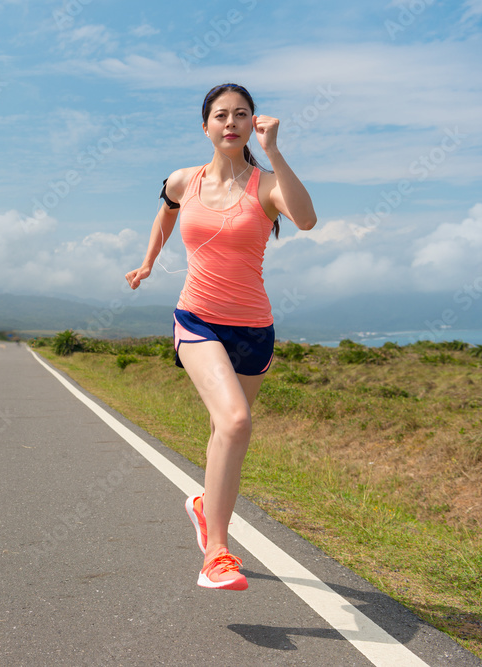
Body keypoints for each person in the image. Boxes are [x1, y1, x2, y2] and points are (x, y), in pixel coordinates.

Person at [124, 83, 316, 591]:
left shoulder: (268, 184)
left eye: (242, 115)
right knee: (235, 421)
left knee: (223, 433)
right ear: (205, 125)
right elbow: (164, 213)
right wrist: (148, 262)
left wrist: (275, 152)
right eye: (221, 115)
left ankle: (204, 506)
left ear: (254, 124)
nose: (231, 122)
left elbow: (308, 220)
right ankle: (217, 554)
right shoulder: (185, 180)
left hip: (255, 330)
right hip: (197, 320)